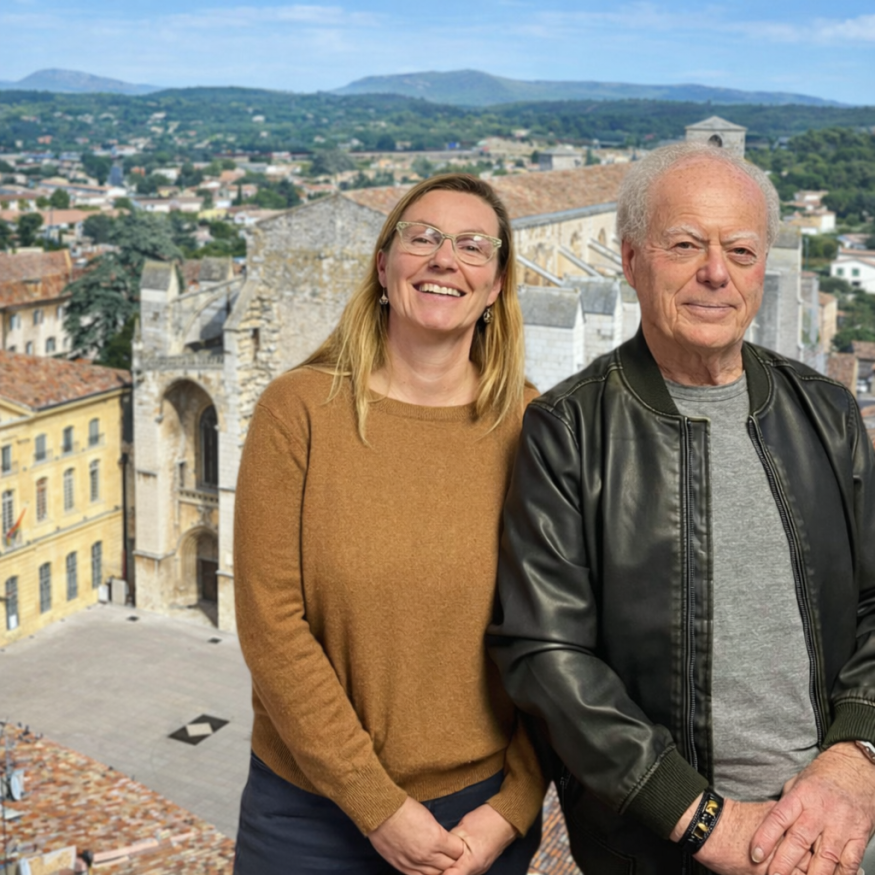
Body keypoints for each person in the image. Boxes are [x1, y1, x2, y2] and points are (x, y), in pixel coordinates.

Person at [488, 142, 875, 875]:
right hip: (659, 846)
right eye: (686, 245)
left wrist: (856, 756)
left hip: (833, 829)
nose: (715, 272)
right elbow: (545, 652)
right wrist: (706, 822)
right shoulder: (568, 430)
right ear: (632, 260)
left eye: (740, 250)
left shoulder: (826, 412)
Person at [232, 173, 544, 875]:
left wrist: (515, 803)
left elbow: (561, 634)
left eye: (472, 246)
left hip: (479, 820)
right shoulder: (297, 410)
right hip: (308, 815)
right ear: (383, 265)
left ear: (496, 286)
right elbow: (269, 623)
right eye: (422, 237)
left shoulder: (533, 427)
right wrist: (375, 804)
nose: (444, 259)